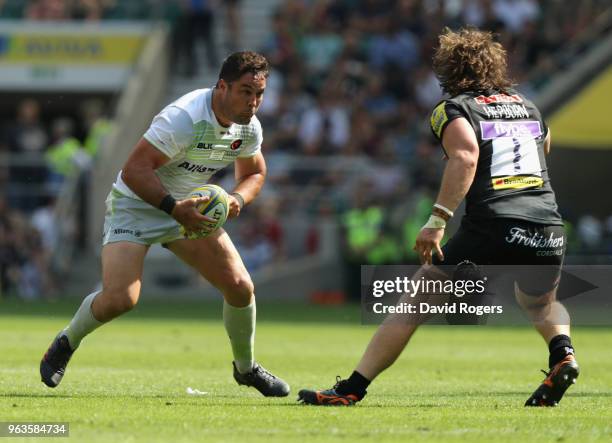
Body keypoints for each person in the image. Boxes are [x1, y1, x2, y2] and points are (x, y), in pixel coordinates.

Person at [298, 28, 578, 407]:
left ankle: (351, 388)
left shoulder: (454, 109)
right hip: (547, 224)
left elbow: (465, 156)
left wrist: (437, 220)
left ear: (447, 70)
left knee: (415, 301)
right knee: (541, 303)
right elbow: (543, 146)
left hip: (494, 222)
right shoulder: (529, 105)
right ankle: (563, 354)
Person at [40, 51, 290, 397]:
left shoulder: (249, 128)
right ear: (222, 86)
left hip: (189, 207)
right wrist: (175, 209)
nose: (254, 102)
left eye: (259, 93)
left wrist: (237, 199)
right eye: (246, 91)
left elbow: (255, 172)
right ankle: (67, 341)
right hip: (138, 204)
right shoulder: (184, 118)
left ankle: (246, 369)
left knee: (239, 286)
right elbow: (135, 171)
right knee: (121, 299)